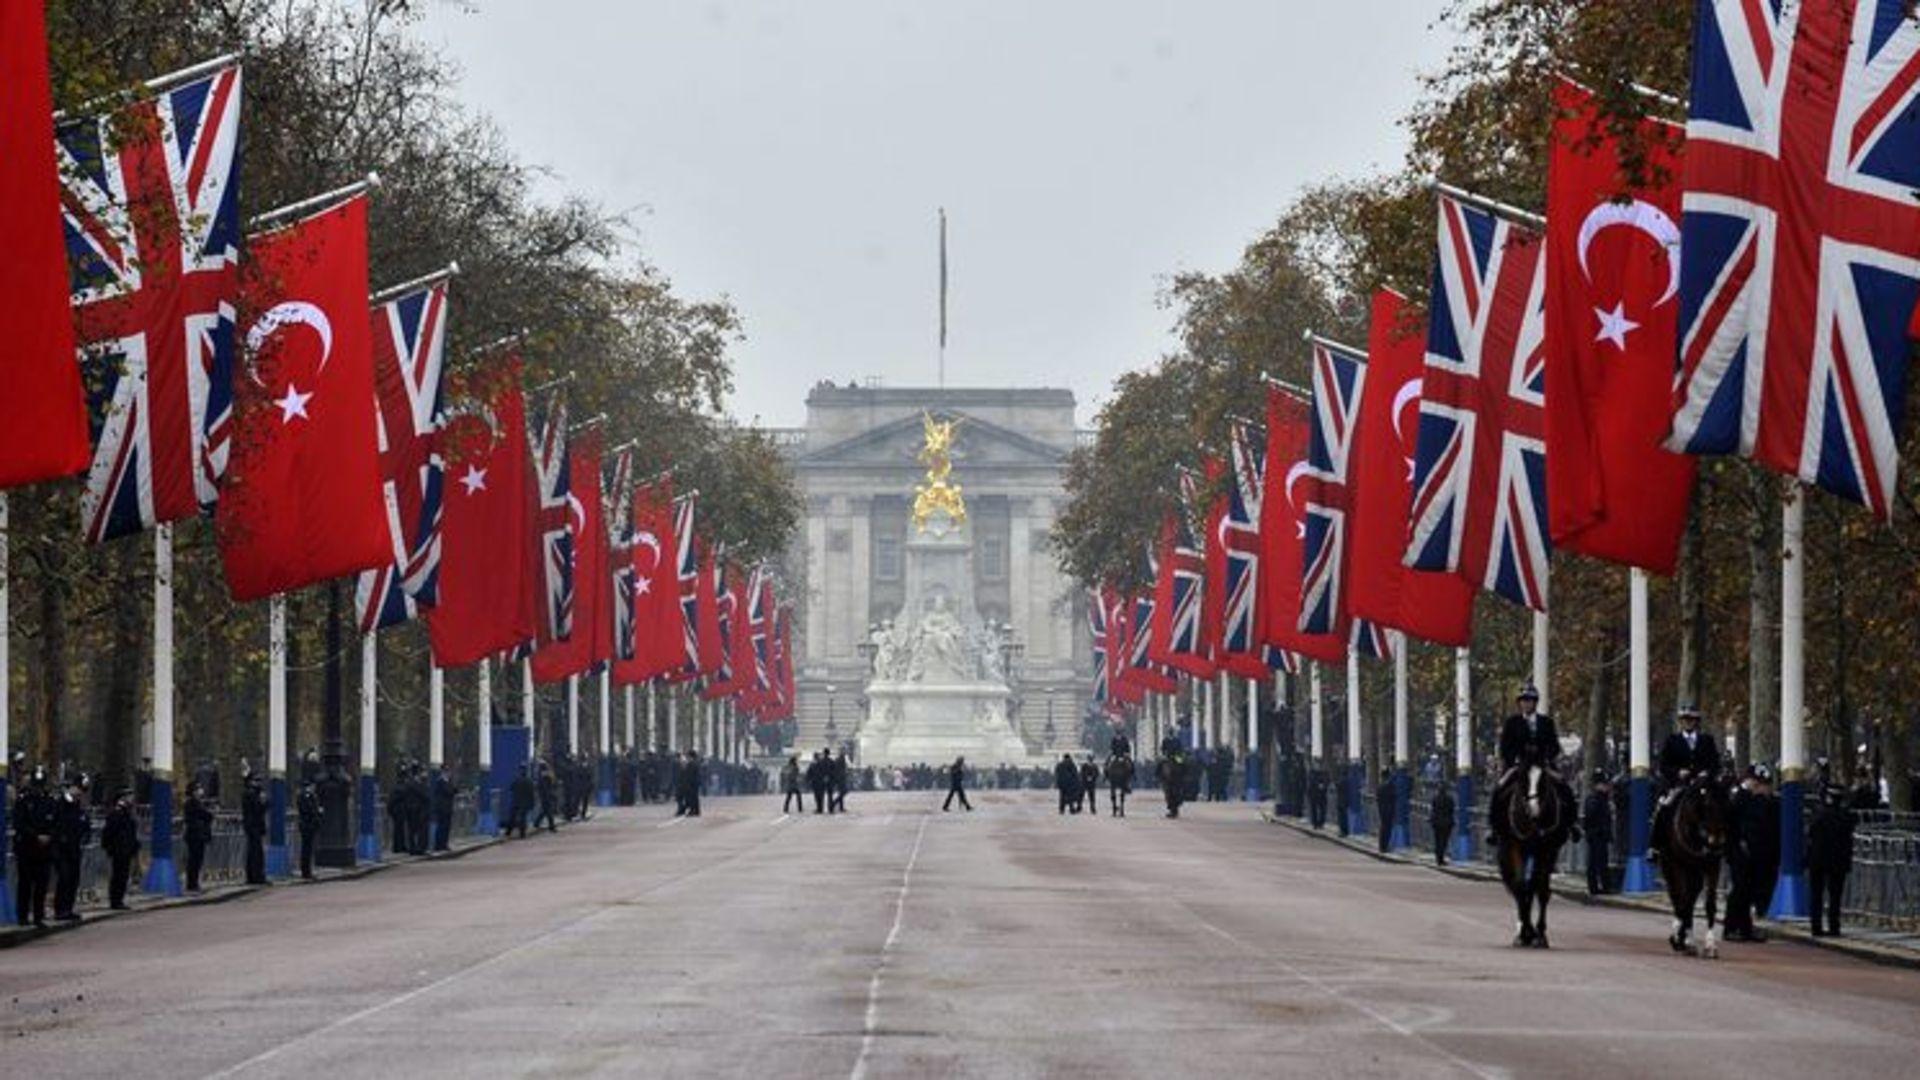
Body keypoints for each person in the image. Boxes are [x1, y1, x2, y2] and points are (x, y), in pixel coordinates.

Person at [1490, 683, 1564, 844]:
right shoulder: (1512, 722)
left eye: (1529, 700)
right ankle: (1495, 828)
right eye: (1523, 700)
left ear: (1535, 702)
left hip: (1541, 764)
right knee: (1499, 790)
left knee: (1563, 787)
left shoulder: (1546, 722)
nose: (1526, 703)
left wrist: (1547, 757)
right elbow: (1505, 746)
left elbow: (1554, 745)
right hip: (1519, 765)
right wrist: (1513, 759)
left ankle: (1570, 824)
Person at [1652, 703, 1721, 859]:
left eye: (1691, 719)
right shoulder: (1672, 740)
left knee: (1720, 805)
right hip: (1680, 785)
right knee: (1663, 808)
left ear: (1696, 721)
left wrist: (1707, 773)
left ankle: (1724, 843)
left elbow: (1715, 763)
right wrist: (1677, 772)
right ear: (1681, 722)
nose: (1688, 722)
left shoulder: (1707, 740)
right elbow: (1663, 765)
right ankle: (1655, 846)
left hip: (1703, 784)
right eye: (1685, 719)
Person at [1725, 765, 1780, 941]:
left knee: (1748, 891)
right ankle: (1731, 927)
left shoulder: (1763, 801)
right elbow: (1732, 824)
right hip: (1740, 852)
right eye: (1761, 784)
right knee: (1739, 890)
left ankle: (1745, 928)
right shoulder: (1739, 797)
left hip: (1756, 854)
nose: (1765, 788)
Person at [1806, 785, 1854, 938]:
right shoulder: (1845, 816)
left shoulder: (1818, 815)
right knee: (1835, 895)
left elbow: (1811, 833)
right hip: (1838, 861)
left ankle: (1816, 926)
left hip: (1818, 859)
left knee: (1816, 894)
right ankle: (1834, 926)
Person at [12, 769, 56, 926]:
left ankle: (38, 916)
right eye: (36, 785)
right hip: (27, 848)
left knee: (41, 884)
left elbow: (55, 822)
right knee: (25, 884)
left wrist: (49, 835)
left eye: (41, 785)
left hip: (44, 850)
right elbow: (19, 823)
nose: (38, 789)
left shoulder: (50, 801)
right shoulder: (23, 800)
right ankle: (22, 916)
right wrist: (35, 836)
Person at [50, 776, 91, 922]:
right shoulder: (61, 803)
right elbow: (56, 824)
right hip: (61, 848)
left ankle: (68, 908)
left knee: (73, 879)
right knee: (64, 878)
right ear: (73, 787)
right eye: (79, 789)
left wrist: (86, 834)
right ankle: (60, 909)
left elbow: (84, 823)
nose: (80, 793)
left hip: (74, 847)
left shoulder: (78, 805)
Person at [101, 790, 140, 909]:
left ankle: (119, 899)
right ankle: (115, 900)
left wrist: (134, 846)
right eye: (129, 796)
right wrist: (110, 847)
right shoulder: (117, 813)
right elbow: (109, 832)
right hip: (118, 849)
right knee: (118, 875)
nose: (132, 799)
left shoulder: (127, 813)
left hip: (126, 849)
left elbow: (131, 833)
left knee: (123, 875)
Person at [1581, 770, 1614, 895]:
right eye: (1604, 784)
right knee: (1595, 863)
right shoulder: (1594, 799)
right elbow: (1592, 816)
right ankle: (1595, 887)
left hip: (1601, 835)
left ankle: (1603, 887)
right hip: (1596, 834)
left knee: (1601, 862)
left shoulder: (1602, 799)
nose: (1607, 786)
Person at [183, 782, 214, 892]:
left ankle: (194, 883)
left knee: (197, 860)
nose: (200, 791)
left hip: (198, 834)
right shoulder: (192, 803)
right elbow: (205, 815)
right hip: (194, 835)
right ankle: (192, 884)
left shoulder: (197, 802)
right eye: (197, 789)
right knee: (194, 860)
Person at [240, 773, 268, 884]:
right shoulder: (250, 794)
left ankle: (255, 875)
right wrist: (263, 802)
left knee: (255, 851)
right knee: (255, 852)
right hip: (253, 825)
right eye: (256, 781)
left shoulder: (254, 793)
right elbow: (257, 808)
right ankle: (256, 876)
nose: (259, 783)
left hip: (254, 825)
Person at [1430, 783, 1456, 867]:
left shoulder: (1435, 798)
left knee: (1437, 840)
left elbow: (1433, 808)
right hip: (1446, 822)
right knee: (1444, 841)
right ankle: (1441, 858)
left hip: (1437, 822)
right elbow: (1451, 810)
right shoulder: (1450, 799)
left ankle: (1438, 858)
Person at [430, 766, 454, 852]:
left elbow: (453, 790)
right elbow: (449, 791)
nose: (449, 773)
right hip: (442, 808)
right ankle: (439, 845)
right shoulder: (440, 782)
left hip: (448, 808)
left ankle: (444, 844)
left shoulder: (449, 782)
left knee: (447, 827)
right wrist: (452, 790)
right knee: (441, 826)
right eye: (447, 772)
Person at [508, 765, 534, 839]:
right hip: (525, 802)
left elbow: (511, 788)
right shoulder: (529, 781)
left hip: (516, 801)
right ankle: (522, 833)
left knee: (512, 817)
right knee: (523, 818)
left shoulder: (517, 780)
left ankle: (508, 831)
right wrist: (532, 803)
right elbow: (531, 793)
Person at [1158, 751, 1185, 819]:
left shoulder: (1177, 755)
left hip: (1176, 780)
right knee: (1162, 763)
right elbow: (1163, 747)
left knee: (1180, 762)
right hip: (1167, 754)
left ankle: (1175, 809)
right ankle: (1172, 809)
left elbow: (1183, 765)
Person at [1374, 769, 1395, 854]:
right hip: (1388, 810)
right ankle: (1385, 846)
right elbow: (1393, 798)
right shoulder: (1390, 786)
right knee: (1387, 829)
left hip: (1382, 810)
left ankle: (1382, 846)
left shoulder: (1379, 787)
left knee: (1383, 828)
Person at [535, 763, 559, 832]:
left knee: (545, 811)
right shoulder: (545, 777)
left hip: (544, 796)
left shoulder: (541, 776)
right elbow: (547, 788)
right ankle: (552, 826)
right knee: (549, 811)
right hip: (546, 796)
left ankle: (537, 823)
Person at [678, 751, 703, 817]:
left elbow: (689, 775)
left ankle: (692, 810)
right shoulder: (696, 763)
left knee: (691, 797)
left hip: (691, 783)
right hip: (695, 783)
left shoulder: (691, 764)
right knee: (695, 797)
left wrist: (687, 783)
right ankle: (696, 810)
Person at [806, 751, 829, 815]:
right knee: (821, 796)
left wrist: (808, 780)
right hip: (820, 782)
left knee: (817, 796)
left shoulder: (812, 764)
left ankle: (819, 808)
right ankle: (820, 808)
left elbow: (809, 773)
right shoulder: (821, 763)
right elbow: (825, 771)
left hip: (815, 782)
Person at [1307, 765, 1329, 830]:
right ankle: (1316, 824)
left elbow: (1327, 781)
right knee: (1315, 809)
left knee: (1321, 809)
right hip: (1315, 794)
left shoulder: (1324, 773)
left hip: (1321, 794)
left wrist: (1324, 786)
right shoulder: (1312, 773)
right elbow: (1311, 783)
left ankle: (1320, 823)